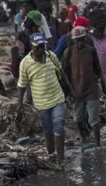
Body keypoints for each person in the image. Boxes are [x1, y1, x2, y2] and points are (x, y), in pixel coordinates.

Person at [17, 23, 68, 162]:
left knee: (59, 125)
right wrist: (20, 104)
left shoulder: (51, 56)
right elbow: (22, 85)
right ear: (32, 47)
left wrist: (70, 90)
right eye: (38, 47)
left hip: (58, 98)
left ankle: (61, 159)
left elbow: (61, 73)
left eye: (42, 46)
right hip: (41, 103)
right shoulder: (25, 63)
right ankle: (52, 157)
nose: (41, 50)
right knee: (48, 131)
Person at [62, 20, 106, 147]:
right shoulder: (68, 52)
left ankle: (98, 144)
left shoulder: (91, 51)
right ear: (73, 40)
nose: (80, 43)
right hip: (76, 90)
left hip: (91, 89)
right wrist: (69, 91)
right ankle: (84, 138)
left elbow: (98, 69)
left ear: (85, 38)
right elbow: (65, 73)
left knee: (94, 119)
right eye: (77, 40)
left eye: (82, 39)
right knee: (78, 119)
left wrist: (104, 83)